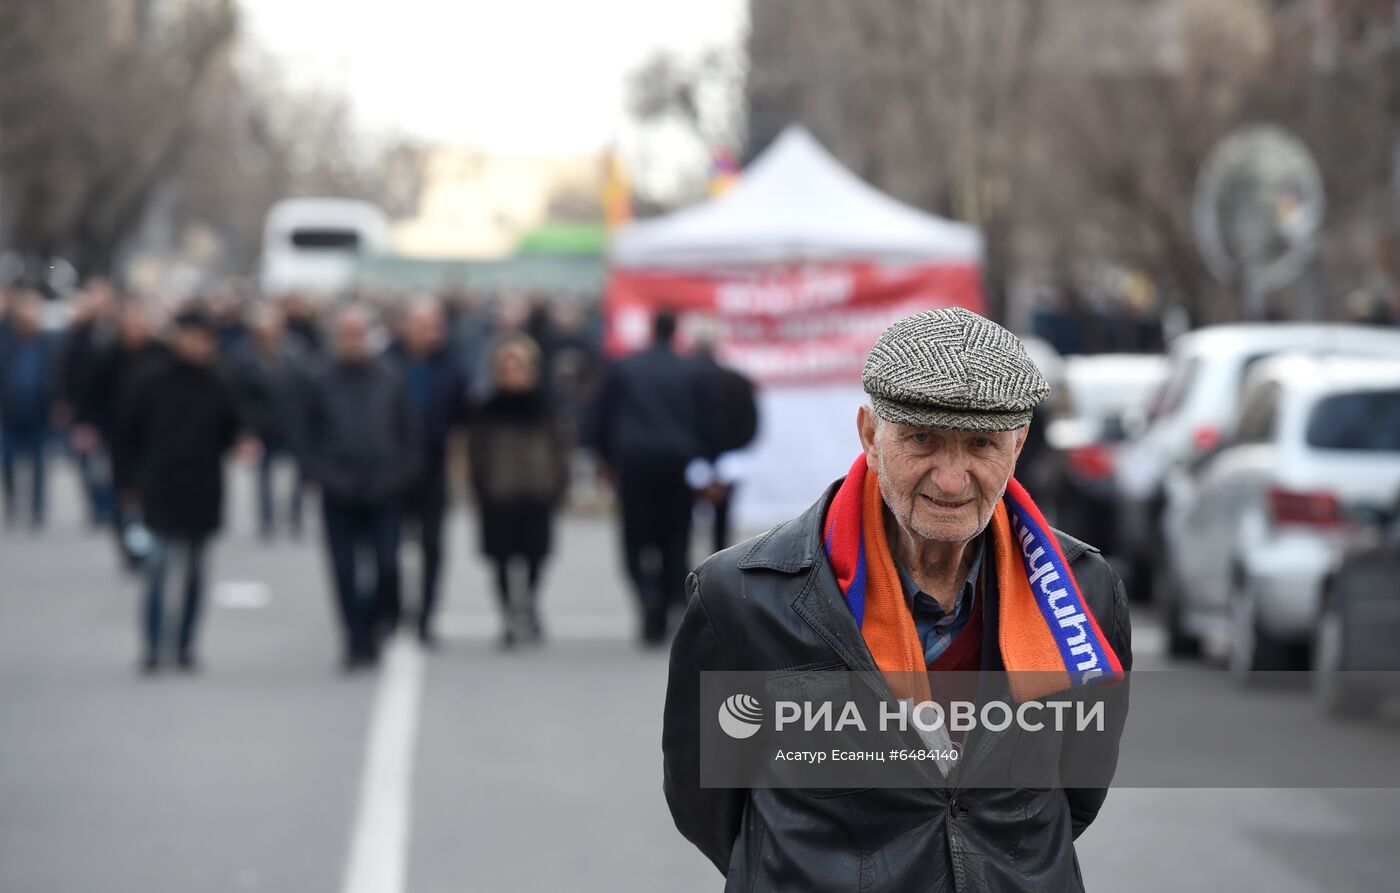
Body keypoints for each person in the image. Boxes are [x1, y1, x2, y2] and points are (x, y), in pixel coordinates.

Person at [661, 308, 1133, 891]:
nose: (952, 478)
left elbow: (1077, 791)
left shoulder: (1082, 592)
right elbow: (704, 805)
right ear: (869, 434)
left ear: (1018, 446)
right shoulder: (741, 596)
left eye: (981, 444)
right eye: (922, 439)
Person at [119, 308, 247, 673]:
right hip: (159, 488)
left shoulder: (219, 382)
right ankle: (154, 644)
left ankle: (186, 644)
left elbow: (232, 429)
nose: (198, 345)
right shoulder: (151, 381)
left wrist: (242, 440)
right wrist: (127, 484)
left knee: (195, 571)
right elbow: (127, 435)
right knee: (157, 567)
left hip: (202, 489)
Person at [297, 305, 419, 670]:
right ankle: (354, 638)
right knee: (344, 571)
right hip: (339, 490)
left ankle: (381, 619)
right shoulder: (320, 380)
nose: (352, 341)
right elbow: (307, 437)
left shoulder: (390, 377)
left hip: (385, 488)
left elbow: (409, 433)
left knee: (386, 565)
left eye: (358, 334)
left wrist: (399, 474)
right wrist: (323, 474)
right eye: (346, 334)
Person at [592, 309, 714, 645]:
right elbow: (707, 422)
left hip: (633, 464)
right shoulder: (691, 371)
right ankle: (665, 598)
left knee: (634, 538)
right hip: (677, 464)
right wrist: (706, 461)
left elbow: (601, 417)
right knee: (675, 538)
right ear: (676, 331)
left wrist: (603, 458)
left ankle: (647, 594)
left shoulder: (624, 368)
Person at [468, 334, 569, 648]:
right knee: (500, 558)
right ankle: (508, 615)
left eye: (521, 366)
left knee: (536, 556)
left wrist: (558, 483)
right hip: (498, 494)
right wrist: (479, 485)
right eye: (509, 366)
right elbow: (474, 452)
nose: (515, 372)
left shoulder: (546, 406)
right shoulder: (487, 409)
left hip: (537, 492)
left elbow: (561, 447)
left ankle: (530, 603)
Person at [385, 295, 471, 646]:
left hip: (434, 466)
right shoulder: (388, 362)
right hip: (392, 466)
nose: (427, 333)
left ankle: (426, 615)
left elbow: (464, 417)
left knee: (432, 546)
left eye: (433, 326)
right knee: (387, 548)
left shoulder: (452, 365)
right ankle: (390, 612)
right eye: (420, 325)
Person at [232, 303, 308, 539]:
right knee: (263, 475)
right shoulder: (244, 356)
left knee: (299, 474)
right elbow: (240, 396)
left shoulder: (295, 352)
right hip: (262, 426)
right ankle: (267, 519)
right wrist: (245, 429)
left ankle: (295, 517)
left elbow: (304, 388)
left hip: (292, 423)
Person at [690, 332, 759, 554]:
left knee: (681, 522)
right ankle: (718, 565)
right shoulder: (736, 380)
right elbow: (751, 424)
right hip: (726, 458)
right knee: (722, 521)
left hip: (693, 457)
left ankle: (681, 572)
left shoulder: (684, 380)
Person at [0, 291, 58, 530]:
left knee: (38, 463)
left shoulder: (48, 343)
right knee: (9, 460)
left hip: (38, 412)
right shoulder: (8, 343)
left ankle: (37, 509)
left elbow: (56, 376)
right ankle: (12, 501)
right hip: (12, 412)